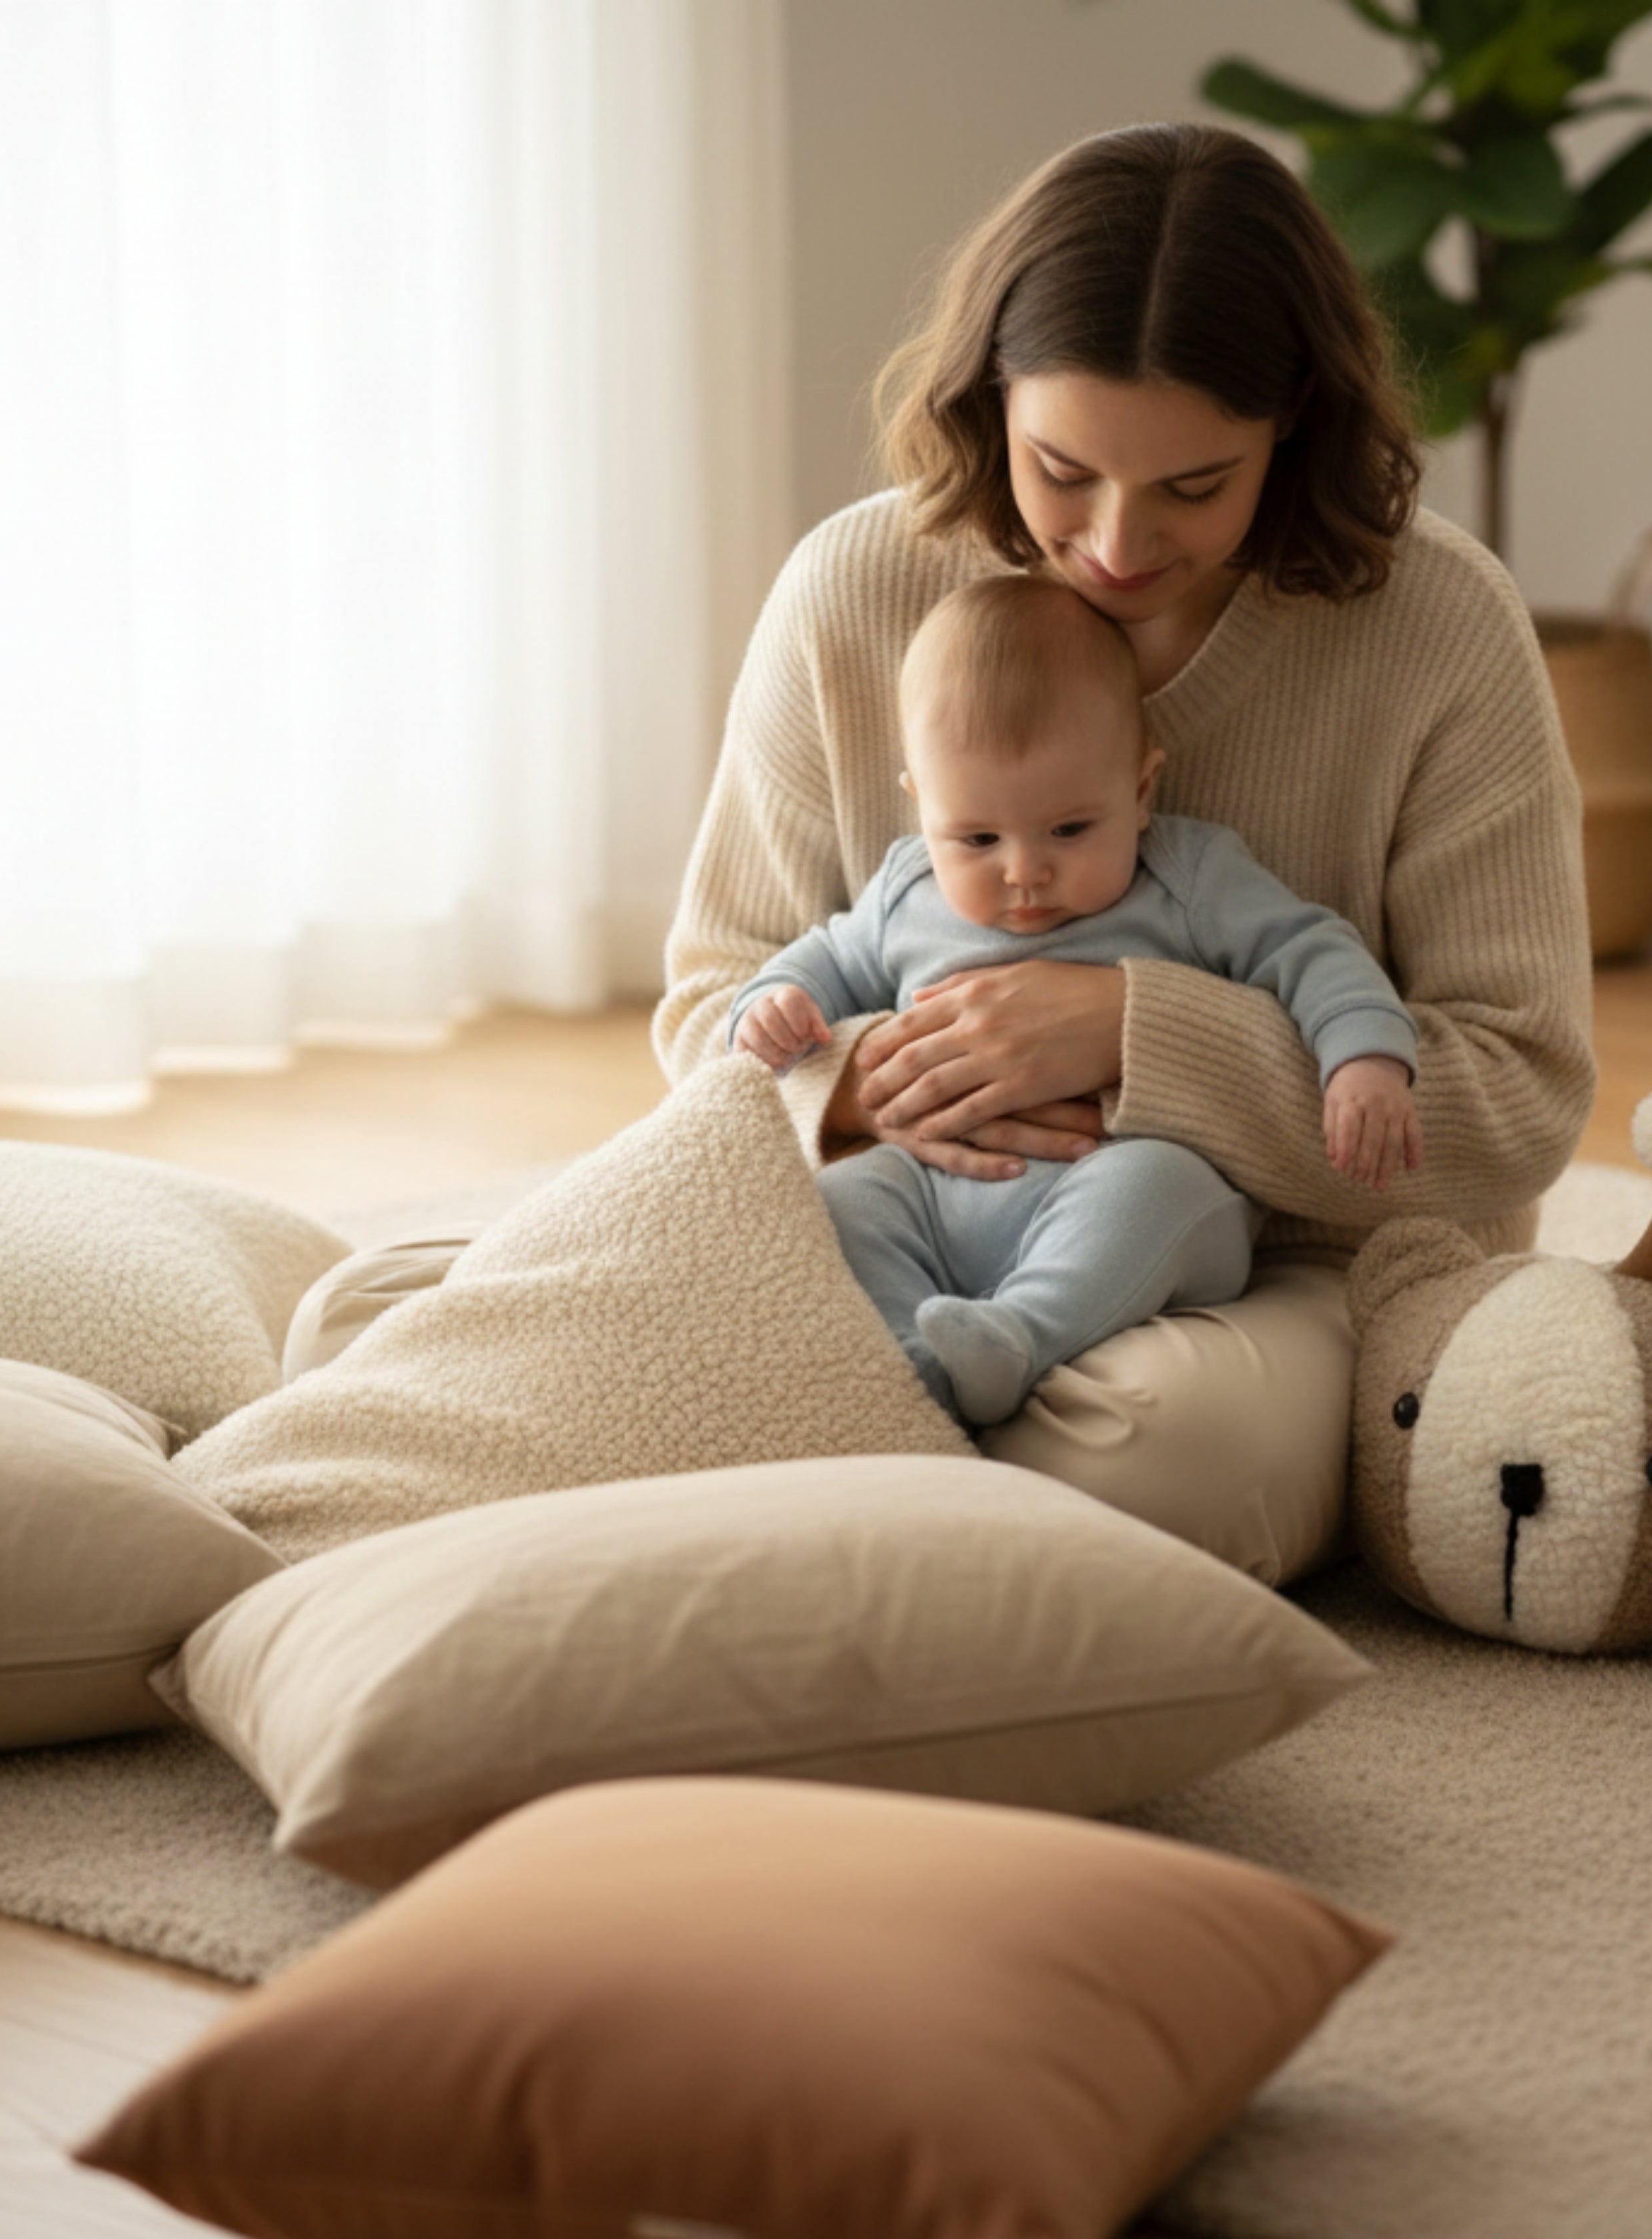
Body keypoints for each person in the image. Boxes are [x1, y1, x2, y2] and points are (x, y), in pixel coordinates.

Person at [657, 121, 1595, 1580]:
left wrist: (1137, 1037)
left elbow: (1519, 1096)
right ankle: (892, 1445)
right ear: (990, 397)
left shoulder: (1437, 629)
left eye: (1192, 485)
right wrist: (873, 1084)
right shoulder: (856, 592)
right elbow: (707, 1002)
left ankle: (848, 1462)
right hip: (896, 1214)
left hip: (1277, 1266)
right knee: (433, 1308)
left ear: (1294, 421)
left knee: (1164, 1459)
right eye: (1061, 468)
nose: (1113, 542)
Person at [731, 573, 1422, 1426]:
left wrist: (1364, 1056)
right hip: (937, 1192)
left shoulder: (1189, 876)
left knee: (1158, 1185)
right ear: (922, 809)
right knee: (849, 1201)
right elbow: (817, 963)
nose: (1024, 870)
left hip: (1112, 1182)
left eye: (1069, 830)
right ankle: (914, 1364)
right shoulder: (905, 891)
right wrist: (774, 1007)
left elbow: (1311, 949)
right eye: (977, 838)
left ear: (1140, 792)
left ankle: (1020, 1338)